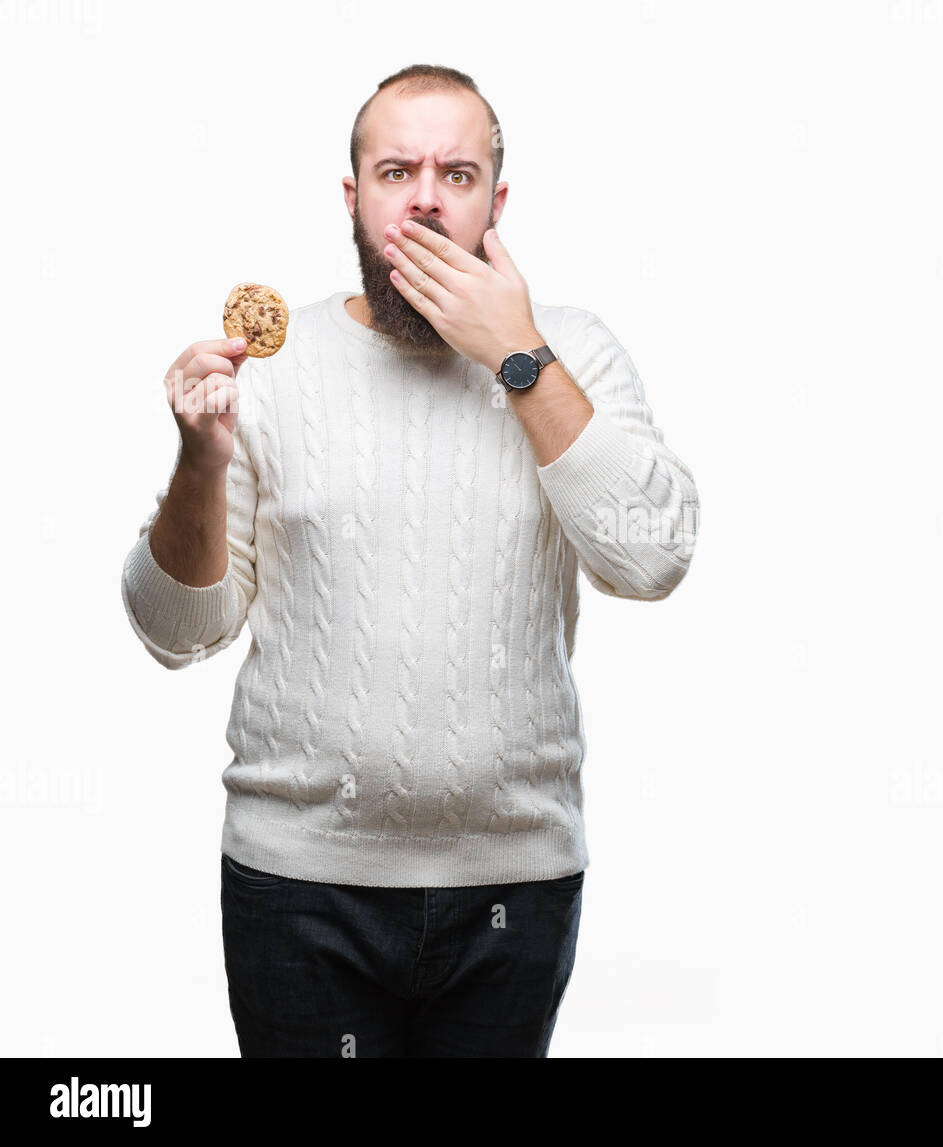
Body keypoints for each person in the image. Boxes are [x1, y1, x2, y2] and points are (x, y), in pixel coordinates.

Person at [120, 64, 700, 1058]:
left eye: (456, 172)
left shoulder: (573, 353)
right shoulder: (275, 369)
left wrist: (515, 358)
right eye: (396, 170)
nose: (426, 194)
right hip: (297, 887)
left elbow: (652, 558)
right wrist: (196, 464)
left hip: (514, 885)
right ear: (354, 197)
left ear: (496, 202)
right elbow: (176, 633)